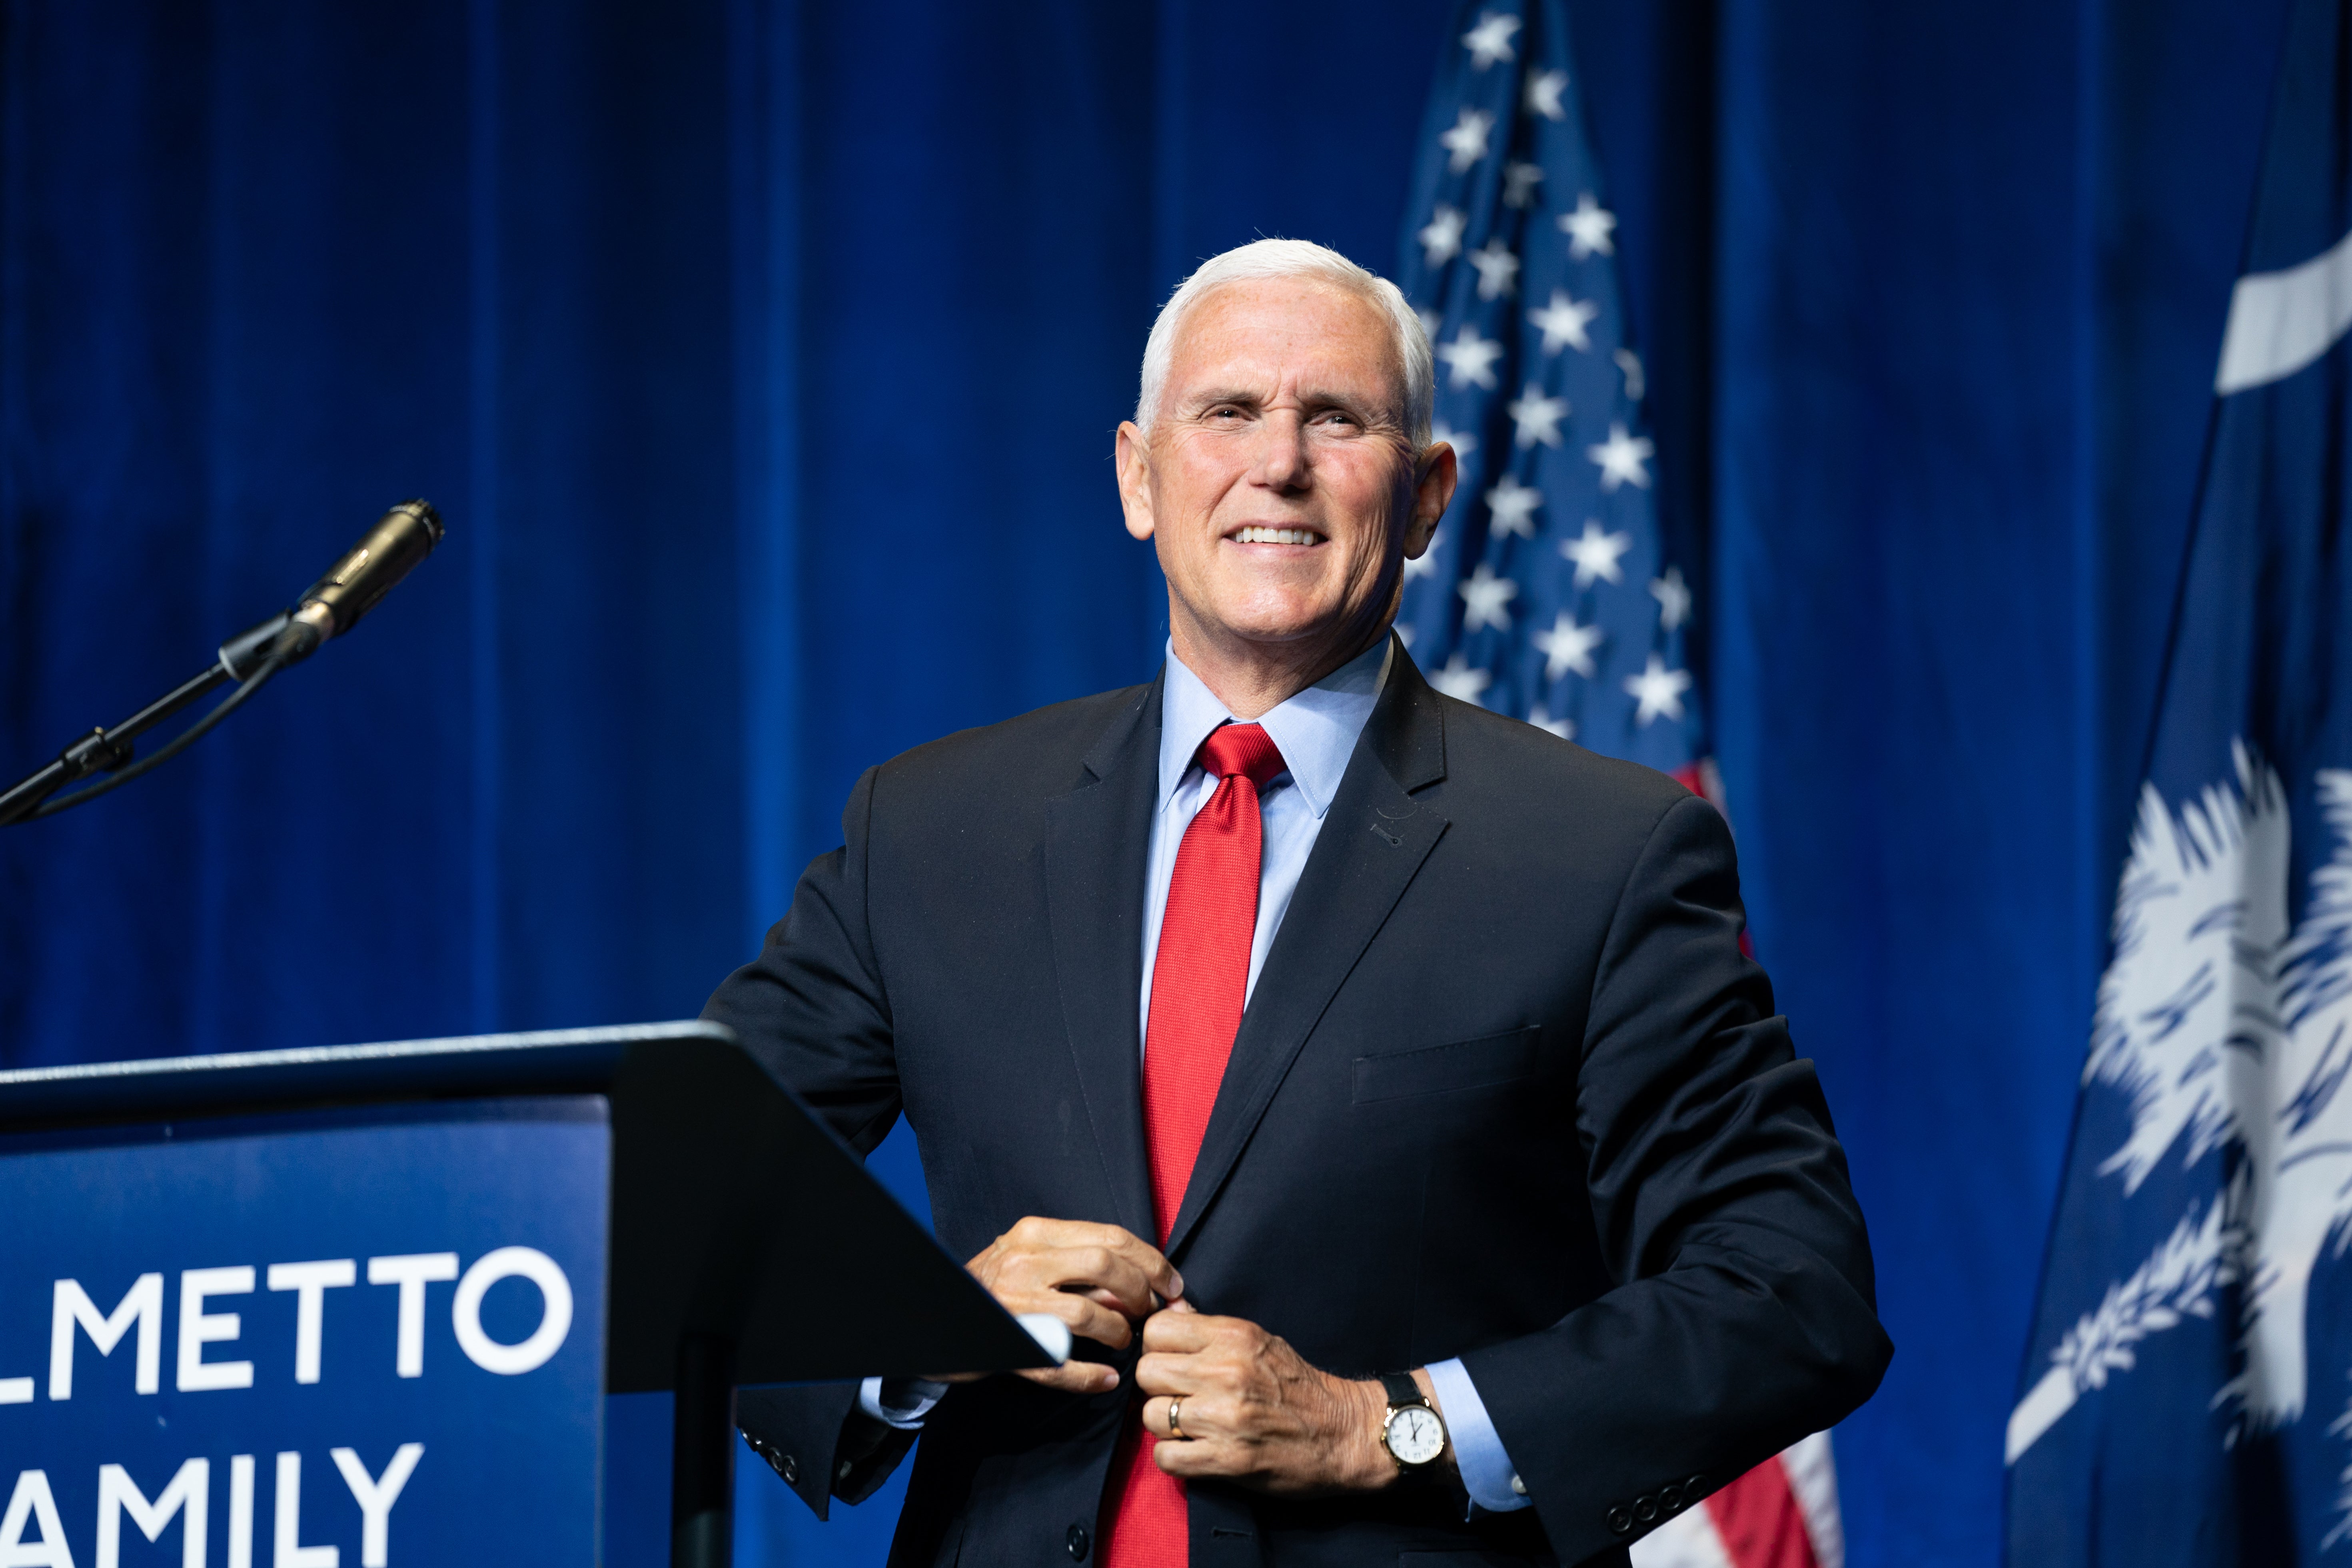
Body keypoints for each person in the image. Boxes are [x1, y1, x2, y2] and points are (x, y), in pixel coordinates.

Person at [705, 238, 1889, 1567]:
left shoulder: (1605, 852)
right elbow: (682, 1196)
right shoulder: (925, 831)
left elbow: (1793, 1291)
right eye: (1225, 413)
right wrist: (926, 1324)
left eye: (1336, 417)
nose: (1278, 462)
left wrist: (1389, 1427)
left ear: (1429, 494)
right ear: (1137, 478)